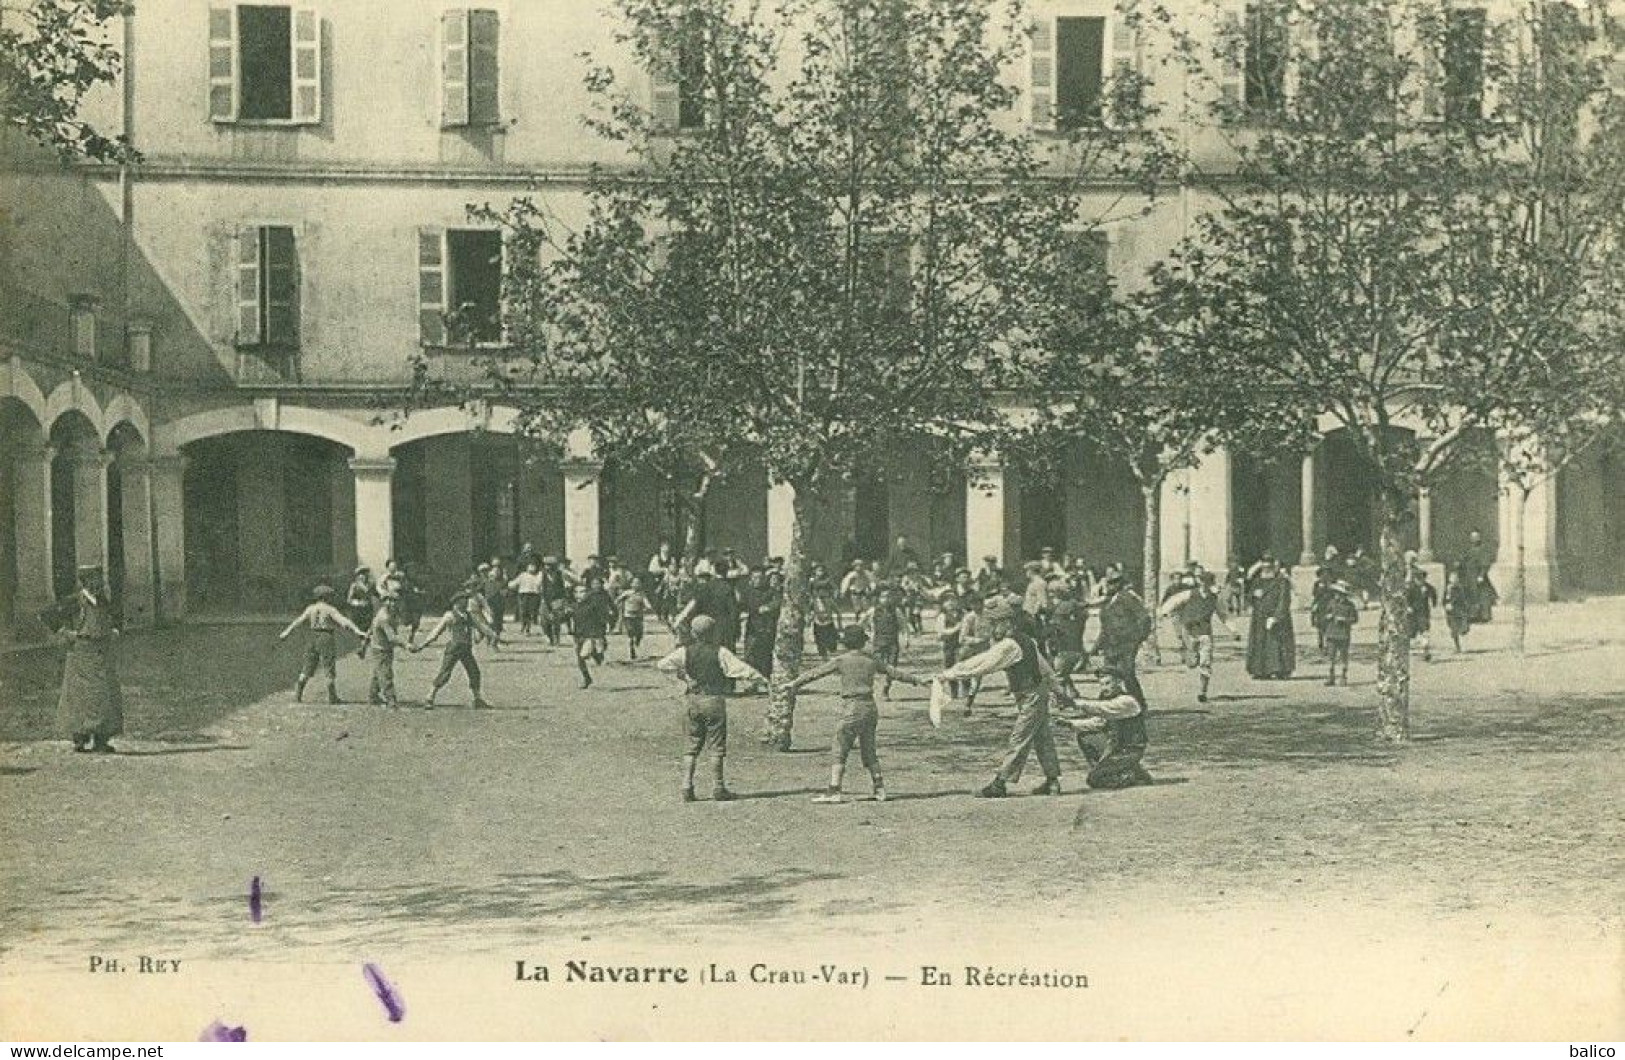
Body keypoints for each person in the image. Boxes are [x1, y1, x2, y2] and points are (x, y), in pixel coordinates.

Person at [935, 596, 1070, 799]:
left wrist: (948, 674)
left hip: (1030, 694)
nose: (989, 628)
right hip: (1034, 692)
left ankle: (1000, 783)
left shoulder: (1009, 645)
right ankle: (1052, 782)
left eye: (992, 623)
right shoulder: (1027, 640)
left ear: (1004, 622)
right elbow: (1046, 670)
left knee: (1020, 738)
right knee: (1042, 738)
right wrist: (1059, 691)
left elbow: (982, 664)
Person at [785, 625, 926, 804]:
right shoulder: (871, 660)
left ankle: (834, 789)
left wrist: (794, 684)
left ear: (846, 643)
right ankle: (879, 788)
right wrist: (918, 680)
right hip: (870, 707)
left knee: (840, 747)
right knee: (869, 749)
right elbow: (895, 673)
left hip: (851, 706)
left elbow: (815, 674)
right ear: (863, 642)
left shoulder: (841, 660)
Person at [655, 614, 766, 802]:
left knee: (691, 746)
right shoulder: (720, 652)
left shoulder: (684, 651)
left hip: (692, 699)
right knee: (716, 746)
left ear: (693, 632)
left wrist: (684, 677)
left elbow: (662, 665)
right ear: (714, 632)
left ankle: (686, 786)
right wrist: (760, 678)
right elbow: (739, 669)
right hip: (714, 699)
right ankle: (718, 786)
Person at [40, 564, 125, 753]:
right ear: (86, 581)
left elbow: (115, 617)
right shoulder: (75, 601)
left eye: (100, 580)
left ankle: (101, 739)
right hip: (81, 656)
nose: (100, 584)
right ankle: (80, 738)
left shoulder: (102, 601)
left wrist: (114, 630)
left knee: (105, 696)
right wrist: (66, 633)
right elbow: (47, 615)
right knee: (80, 698)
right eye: (96, 580)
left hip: (102, 653)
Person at [1056, 669, 1153, 790]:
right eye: (1101, 684)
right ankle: (1120, 770)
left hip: (1130, 749)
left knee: (1094, 779)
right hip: (1115, 746)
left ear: (1118, 682)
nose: (1104, 688)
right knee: (1085, 736)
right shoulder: (1107, 698)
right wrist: (1069, 723)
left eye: (1108, 683)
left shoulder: (1127, 701)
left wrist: (1075, 703)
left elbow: (1104, 708)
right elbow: (1098, 722)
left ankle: (1130, 775)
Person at [279, 584, 366, 704]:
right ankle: (332, 697)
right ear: (326, 597)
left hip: (313, 636)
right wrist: (357, 631)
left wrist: (286, 632)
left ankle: (298, 695)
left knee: (308, 665)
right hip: (326, 636)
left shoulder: (311, 608)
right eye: (330, 596)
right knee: (328, 665)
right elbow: (343, 622)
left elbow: (298, 621)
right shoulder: (330, 609)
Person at [411, 590, 498, 709]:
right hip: (454, 648)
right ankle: (429, 697)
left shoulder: (469, 615)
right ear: (456, 603)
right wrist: (422, 645)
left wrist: (492, 634)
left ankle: (477, 699)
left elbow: (481, 627)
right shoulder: (450, 616)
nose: (466, 602)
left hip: (466, 649)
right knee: (445, 673)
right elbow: (435, 632)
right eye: (463, 600)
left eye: (466, 600)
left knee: (474, 672)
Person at [1160, 572, 1233, 704]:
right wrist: (1164, 612)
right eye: (1203, 582)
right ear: (1200, 582)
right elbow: (1173, 601)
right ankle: (1190, 654)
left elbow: (1223, 615)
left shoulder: (1214, 598)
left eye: (1208, 583)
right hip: (1189, 630)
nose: (1205, 585)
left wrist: (1233, 630)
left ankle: (1202, 692)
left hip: (1205, 632)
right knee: (1192, 663)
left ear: (1211, 584)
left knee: (1206, 662)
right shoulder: (1189, 594)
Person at [1095, 570, 1153, 710]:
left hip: (1126, 644)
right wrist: (1096, 647)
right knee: (1108, 674)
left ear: (1119, 584)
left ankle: (1139, 704)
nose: (1109, 586)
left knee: (1126, 674)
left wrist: (1138, 638)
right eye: (1108, 583)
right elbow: (1105, 627)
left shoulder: (1127, 598)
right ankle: (1108, 705)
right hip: (1110, 644)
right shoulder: (1107, 602)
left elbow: (1144, 618)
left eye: (1113, 583)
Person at [1245, 560, 1296, 680]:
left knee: (1278, 644)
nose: (1266, 571)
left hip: (1277, 618)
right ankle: (1260, 670)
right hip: (1259, 618)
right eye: (1264, 568)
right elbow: (1249, 595)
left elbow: (1284, 600)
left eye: (1269, 568)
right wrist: (1253, 595)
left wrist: (1276, 617)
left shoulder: (1281, 581)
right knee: (1260, 643)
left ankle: (1281, 670)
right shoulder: (1257, 581)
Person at [863, 586, 908, 698]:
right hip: (877, 643)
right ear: (878, 598)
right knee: (877, 667)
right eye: (883, 596)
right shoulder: (873, 611)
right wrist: (868, 634)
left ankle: (885, 689)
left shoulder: (896, 611)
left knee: (891, 667)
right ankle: (875, 687)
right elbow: (862, 623)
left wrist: (906, 639)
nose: (886, 599)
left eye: (889, 596)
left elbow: (904, 627)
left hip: (892, 643)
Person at [571, 577, 617, 688]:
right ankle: (587, 678)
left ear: (587, 593)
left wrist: (607, 626)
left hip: (591, 634)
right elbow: (566, 617)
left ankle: (597, 654)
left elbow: (604, 617)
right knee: (580, 659)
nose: (579, 594)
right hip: (579, 634)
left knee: (584, 655)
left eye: (582, 592)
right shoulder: (574, 606)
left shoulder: (593, 605)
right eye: (576, 592)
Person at [366, 592, 407, 709]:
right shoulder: (384, 617)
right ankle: (391, 700)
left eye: (394, 601)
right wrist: (406, 645)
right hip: (381, 648)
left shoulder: (391, 614)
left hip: (382, 646)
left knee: (377, 672)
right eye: (389, 600)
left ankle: (373, 696)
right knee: (386, 673)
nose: (392, 603)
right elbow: (392, 637)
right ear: (384, 602)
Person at [741, 569, 780, 679]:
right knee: (750, 654)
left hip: (766, 627)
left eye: (760, 578)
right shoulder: (747, 592)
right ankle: (752, 680)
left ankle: (766, 678)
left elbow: (777, 602)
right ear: (751, 579)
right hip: (752, 628)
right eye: (755, 577)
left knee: (766, 654)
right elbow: (742, 606)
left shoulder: (770, 591)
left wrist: (768, 608)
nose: (758, 580)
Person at [1321, 580, 1359, 686]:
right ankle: (1331, 676)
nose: (1337, 595)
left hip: (1343, 634)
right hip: (1331, 632)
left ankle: (1343, 676)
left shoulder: (1350, 606)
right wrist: (1327, 617)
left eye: (1339, 594)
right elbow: (1325, 615)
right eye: (1336, 593)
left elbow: (1355, 619)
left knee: (1343, 656)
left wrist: (1344, 619)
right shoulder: (1331, 603)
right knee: (1331, 656)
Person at [1457, 529, 1498, 624]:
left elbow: (1485, 563)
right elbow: (1464, 560)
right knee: (1471, 596)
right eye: (1472, 537)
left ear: (1479, 538)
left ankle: (1484, 617)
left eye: (1476, 537)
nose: (1474, 539)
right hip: (1469, 577)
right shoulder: (1470, 550)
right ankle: (1473, 616)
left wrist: (1481, 575)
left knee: (1482, 596)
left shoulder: (1482, 550)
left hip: (1478, 576)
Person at [617, 576, 655, 660]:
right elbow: (618, 599)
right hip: (628, 616)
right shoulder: (627, 593)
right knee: (630, 633)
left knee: (639, 634)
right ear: (631, 584)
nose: (636, 585)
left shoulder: (642, 594)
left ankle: (636, 642)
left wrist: (649, 607)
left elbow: (646, 602)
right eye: (635, 583)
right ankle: (631, 649)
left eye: (638, 583)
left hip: (638, 617)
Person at [1406, 567, 1439, 661]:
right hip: (1412, 614)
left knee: (1425, 631)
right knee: (1411, 633)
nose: (1420, 581)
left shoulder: (1427, 587)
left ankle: (1426, 651)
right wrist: (1408, 607)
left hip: (1423, 613)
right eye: (1418, 579)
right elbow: (1406, 598)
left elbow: (1433, 593)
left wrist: (1434, 603)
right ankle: (1408, 649)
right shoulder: (1411, 588)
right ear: (1415, 579)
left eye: (1422, 579)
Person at [509, 560, 544, 636]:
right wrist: (509, 584)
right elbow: (515, 583)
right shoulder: (523, 575)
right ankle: (523, 626)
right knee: (523, 612)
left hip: (533, 595)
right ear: (527, 567)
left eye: (534, 566)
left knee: (530, 612)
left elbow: (539, 585)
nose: (532, 567)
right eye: (530, 565)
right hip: (523, 595)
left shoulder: (538, 575)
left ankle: (527, 628)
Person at [1444, 569, 1474, 654]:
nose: (1453, 581)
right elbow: (1445, 599)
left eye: (1455, 579)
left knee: (1462, 630)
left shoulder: (1461, 589)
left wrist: (1466, 609)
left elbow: (1464, 600)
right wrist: (1446, 605)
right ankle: (1457, 647)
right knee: (1453, 630)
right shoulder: (1448, 588)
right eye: (1452, 579)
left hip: (1460, 611)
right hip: (1451, 613)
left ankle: (1463, 647)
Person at [344, 568, 376, 647]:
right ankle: (364, 643)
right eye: (361, 575)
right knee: (361, 627)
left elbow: (375, 593)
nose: (363, 577)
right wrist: (358, 603)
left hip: (368, 608)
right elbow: (349, 600)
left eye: (365, 574)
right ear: (358, 576)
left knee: (369, 625)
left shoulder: (370, 584)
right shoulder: (354, 585)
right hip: (358, 610)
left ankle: (366, 642)